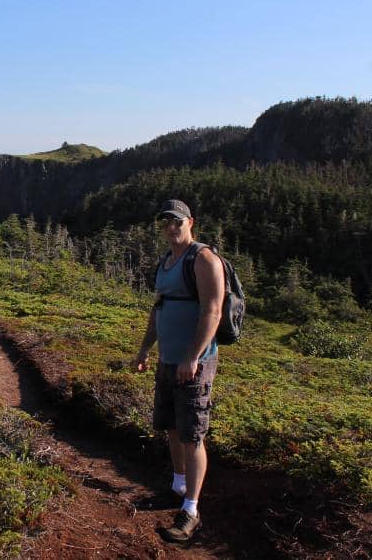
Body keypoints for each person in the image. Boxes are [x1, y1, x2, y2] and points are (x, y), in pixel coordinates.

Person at [131, 199, 225, 542]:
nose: (171, 227)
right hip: (167, 359)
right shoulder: (166, 261)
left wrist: (193, 356)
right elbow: (159, 308)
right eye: (165, 222)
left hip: (193, 363)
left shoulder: (203, 259)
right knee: (171, 426)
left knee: (192, 434)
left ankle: (191, 510)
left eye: (177, 221)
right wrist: (145, 348)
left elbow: (213, 311)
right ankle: (178, 485)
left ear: (190, 222)